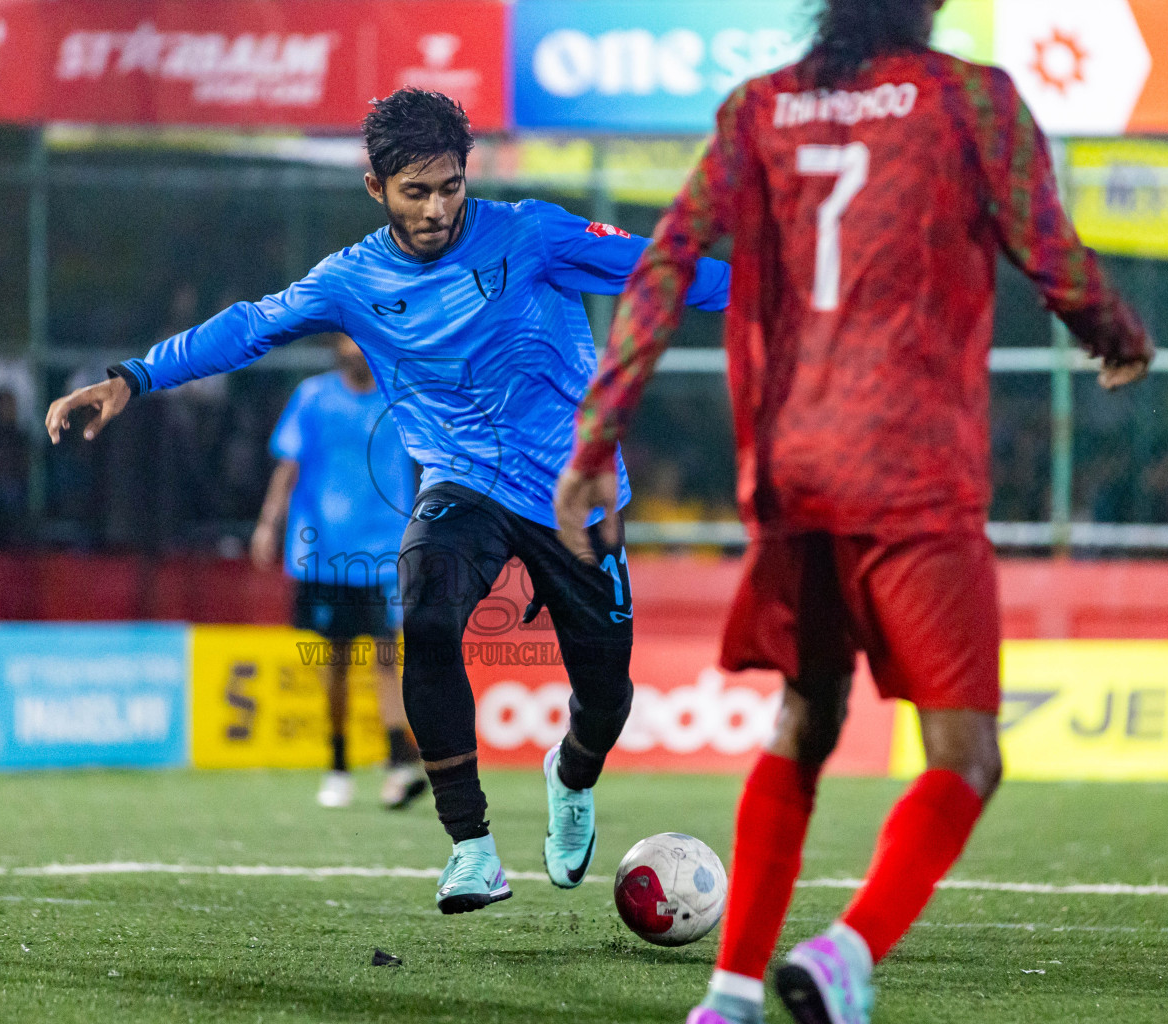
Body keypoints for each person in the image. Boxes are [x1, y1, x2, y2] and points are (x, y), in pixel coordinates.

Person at [554, 1, 1153, 1022]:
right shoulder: (971, 100)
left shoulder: (759, 109)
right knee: (968, 753)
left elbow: (663, 266)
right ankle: (845, 953)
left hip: (792, 471)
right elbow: (1046, 249)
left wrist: (597, 438)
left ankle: (731, 994)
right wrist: (1117, 331)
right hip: (911, 465)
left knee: (808, 712)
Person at [47, 87, 731, 914]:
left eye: (451, 186)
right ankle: (472, 847)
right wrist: (135, 376)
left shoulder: (532, 233)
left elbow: (667, 269)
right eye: (416, 191)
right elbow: (249, 324)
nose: (438, 207)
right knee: (426, 604)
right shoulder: (351, 279)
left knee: (608, 696)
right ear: (375, 186)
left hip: (573, 489)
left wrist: (793, 295)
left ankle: (571, 774)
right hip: (461, 483)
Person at [251, 333, 426, 811]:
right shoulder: (312, 397)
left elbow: (432, 458)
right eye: (345, 342)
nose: (353, 350)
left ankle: (396, 767)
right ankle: (338, 764)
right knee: (335, 664)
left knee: (388, 658)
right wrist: (269, 523)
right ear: (335, 347)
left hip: (386, 549)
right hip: (323, 550)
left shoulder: (401, 396)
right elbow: (288, 467)